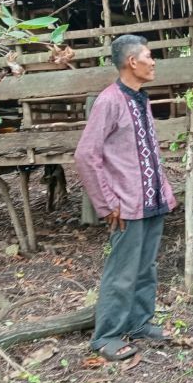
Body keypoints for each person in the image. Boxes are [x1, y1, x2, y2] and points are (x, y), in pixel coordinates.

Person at [74, 34, 176, 361]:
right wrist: (106, 204)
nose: (153, 62)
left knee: (146, 268)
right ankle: (106, 336)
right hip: (125, 205)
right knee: (122, 272)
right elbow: (85, 155)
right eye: (149, 56)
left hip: (150, 200)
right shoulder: (109, 101)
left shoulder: (140, 99)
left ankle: (139, 323)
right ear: (132, 62)